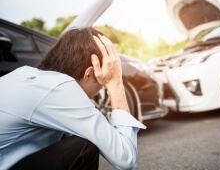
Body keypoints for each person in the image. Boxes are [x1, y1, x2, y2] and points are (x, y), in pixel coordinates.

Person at [0, 27, 146, 170]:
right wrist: (115, 82)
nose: (100, 89)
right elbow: (126, 158)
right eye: (102, 82)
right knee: (83, 147)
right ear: (89, 73)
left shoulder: (24, 73)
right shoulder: (61, 87)